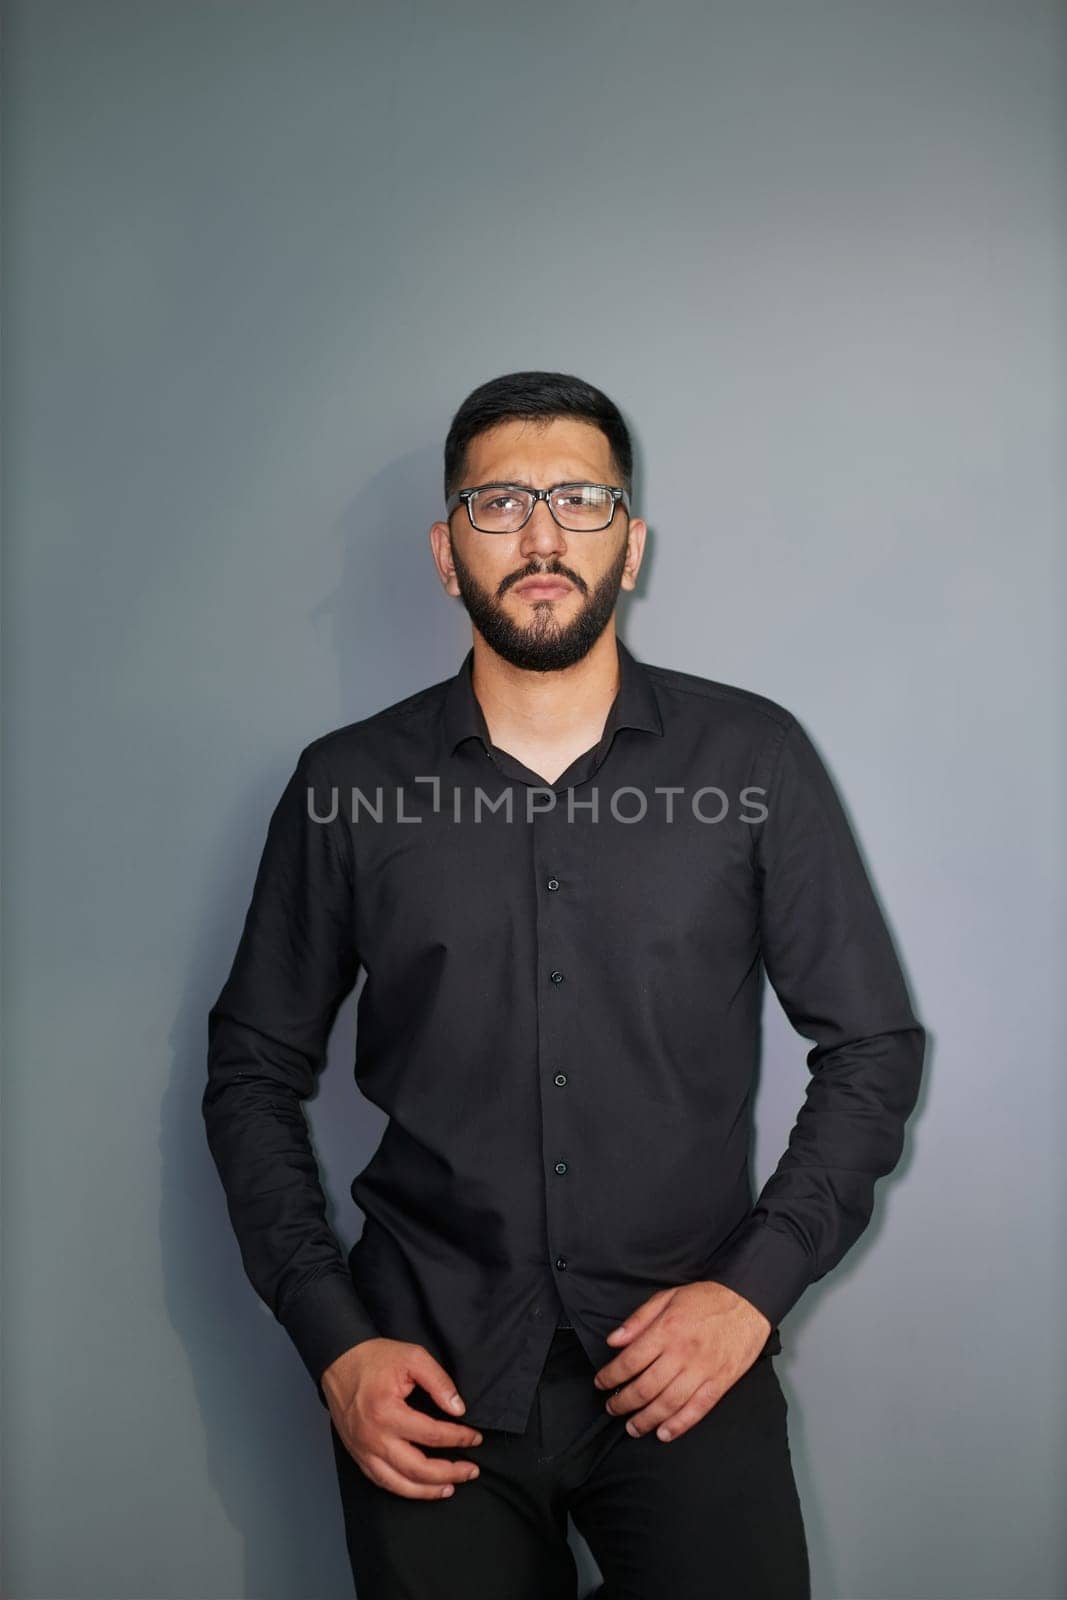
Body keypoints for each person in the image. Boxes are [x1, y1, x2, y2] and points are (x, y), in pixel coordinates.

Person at [202, 370, 926, 1599]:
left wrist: (749, 1297)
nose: (541, 535)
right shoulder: (345, 785)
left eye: (580, 499)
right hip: (426, 1386)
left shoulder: (753, 760)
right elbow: (250, 1072)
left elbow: (867, 1046)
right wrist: (334, 1344)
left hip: (683, 1373)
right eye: (498, 504)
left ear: (629, 544)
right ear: (446, 553)